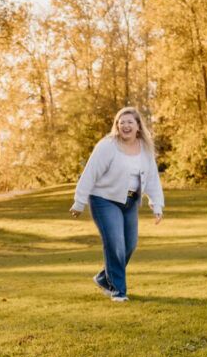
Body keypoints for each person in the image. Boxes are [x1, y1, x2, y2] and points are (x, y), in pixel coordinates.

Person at [70, 107, 164, 302]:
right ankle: (118, 291)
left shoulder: (144, 149)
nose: (125, 125)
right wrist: (79, 202)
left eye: (130, 122)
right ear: (117, 126)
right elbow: (90, 173)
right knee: (116, 245)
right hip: (104, 199)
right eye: (121, 122)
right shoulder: (107, 146)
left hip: (130, 201)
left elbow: (152, 178)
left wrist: (157, 204)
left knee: (130, 245)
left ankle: (104, 278)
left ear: (138, 126)